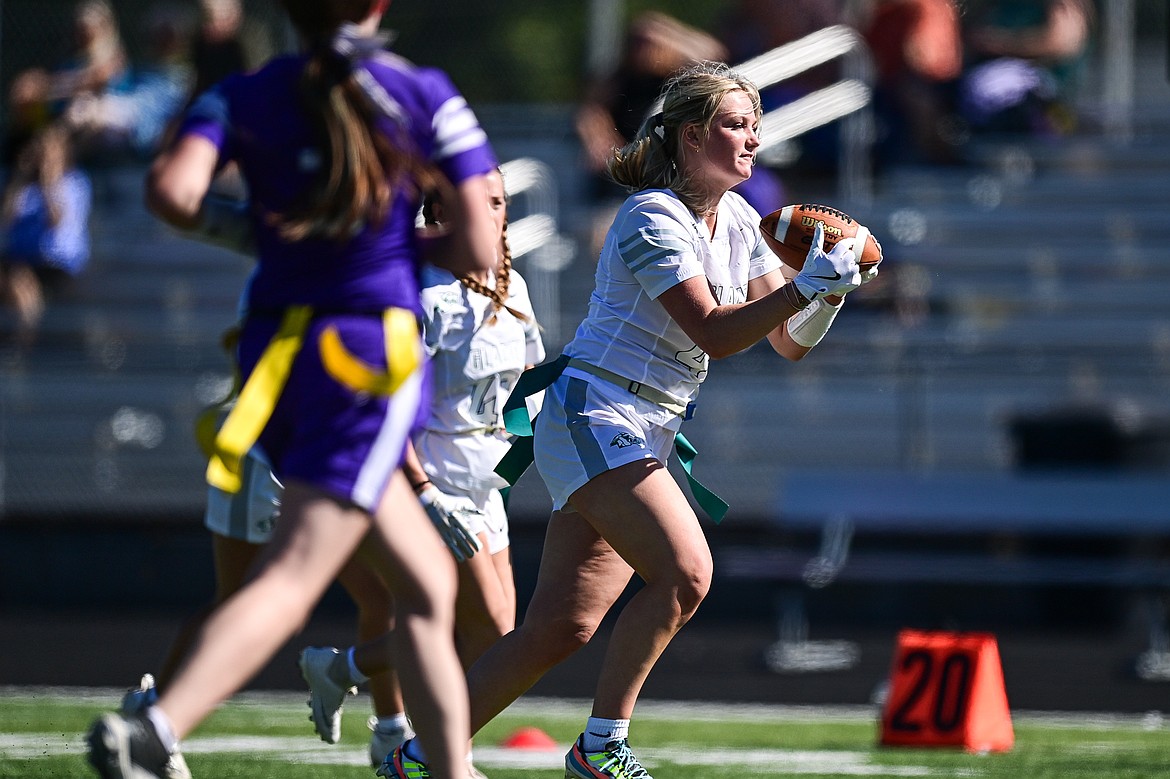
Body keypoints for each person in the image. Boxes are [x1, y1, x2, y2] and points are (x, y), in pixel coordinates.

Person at [379, 60, 876, 779]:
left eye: (756, 125)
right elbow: (712, 330)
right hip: (597, 407)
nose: (752, 140)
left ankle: (420, 757)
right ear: (691, 133)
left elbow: (787, 343)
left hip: (647, 422)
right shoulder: (651, 215)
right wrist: (805, 285)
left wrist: (824, 297)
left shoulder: (738, 216)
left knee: (561, 625)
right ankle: (601, 746)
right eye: (737, 124)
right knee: (687, 573)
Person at [84, 0, 501, 777]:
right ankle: (156, 728)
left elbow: (171, 193)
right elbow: (478, 241)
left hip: (275, 351)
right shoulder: (422, 90)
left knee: (427, 582)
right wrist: (382, 244)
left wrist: (261, 234)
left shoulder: (244, 91)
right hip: (363, 356)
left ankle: (450, 768)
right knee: (296, 572)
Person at [297, 167, 545, 769]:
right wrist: (423, 489)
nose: (494, 214)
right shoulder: (425, 297)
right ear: (440, 216)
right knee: (486, 621)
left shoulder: (511, 285)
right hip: (435, 475)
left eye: (499, 202)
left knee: (495, 633)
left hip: (489, 478)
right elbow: (388, 408)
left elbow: (528, 380)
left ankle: (344, 669)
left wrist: (534, 436)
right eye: (478, 202)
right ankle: (432, 754)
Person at [0, 123, 92, 355]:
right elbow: (6, 218)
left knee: (21, 281)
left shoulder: (74, 182)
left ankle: (24, 343)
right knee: (17, 278)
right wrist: (20, 176)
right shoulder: (21, 185)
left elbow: (56, 220)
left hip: (55, 265)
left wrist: (50, 180)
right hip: (18, 260)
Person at [958, 0, 1093, 136]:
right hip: (980, 90)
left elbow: (1063, 42)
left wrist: (998, 44)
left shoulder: (1063, 5)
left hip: (1043, 96)